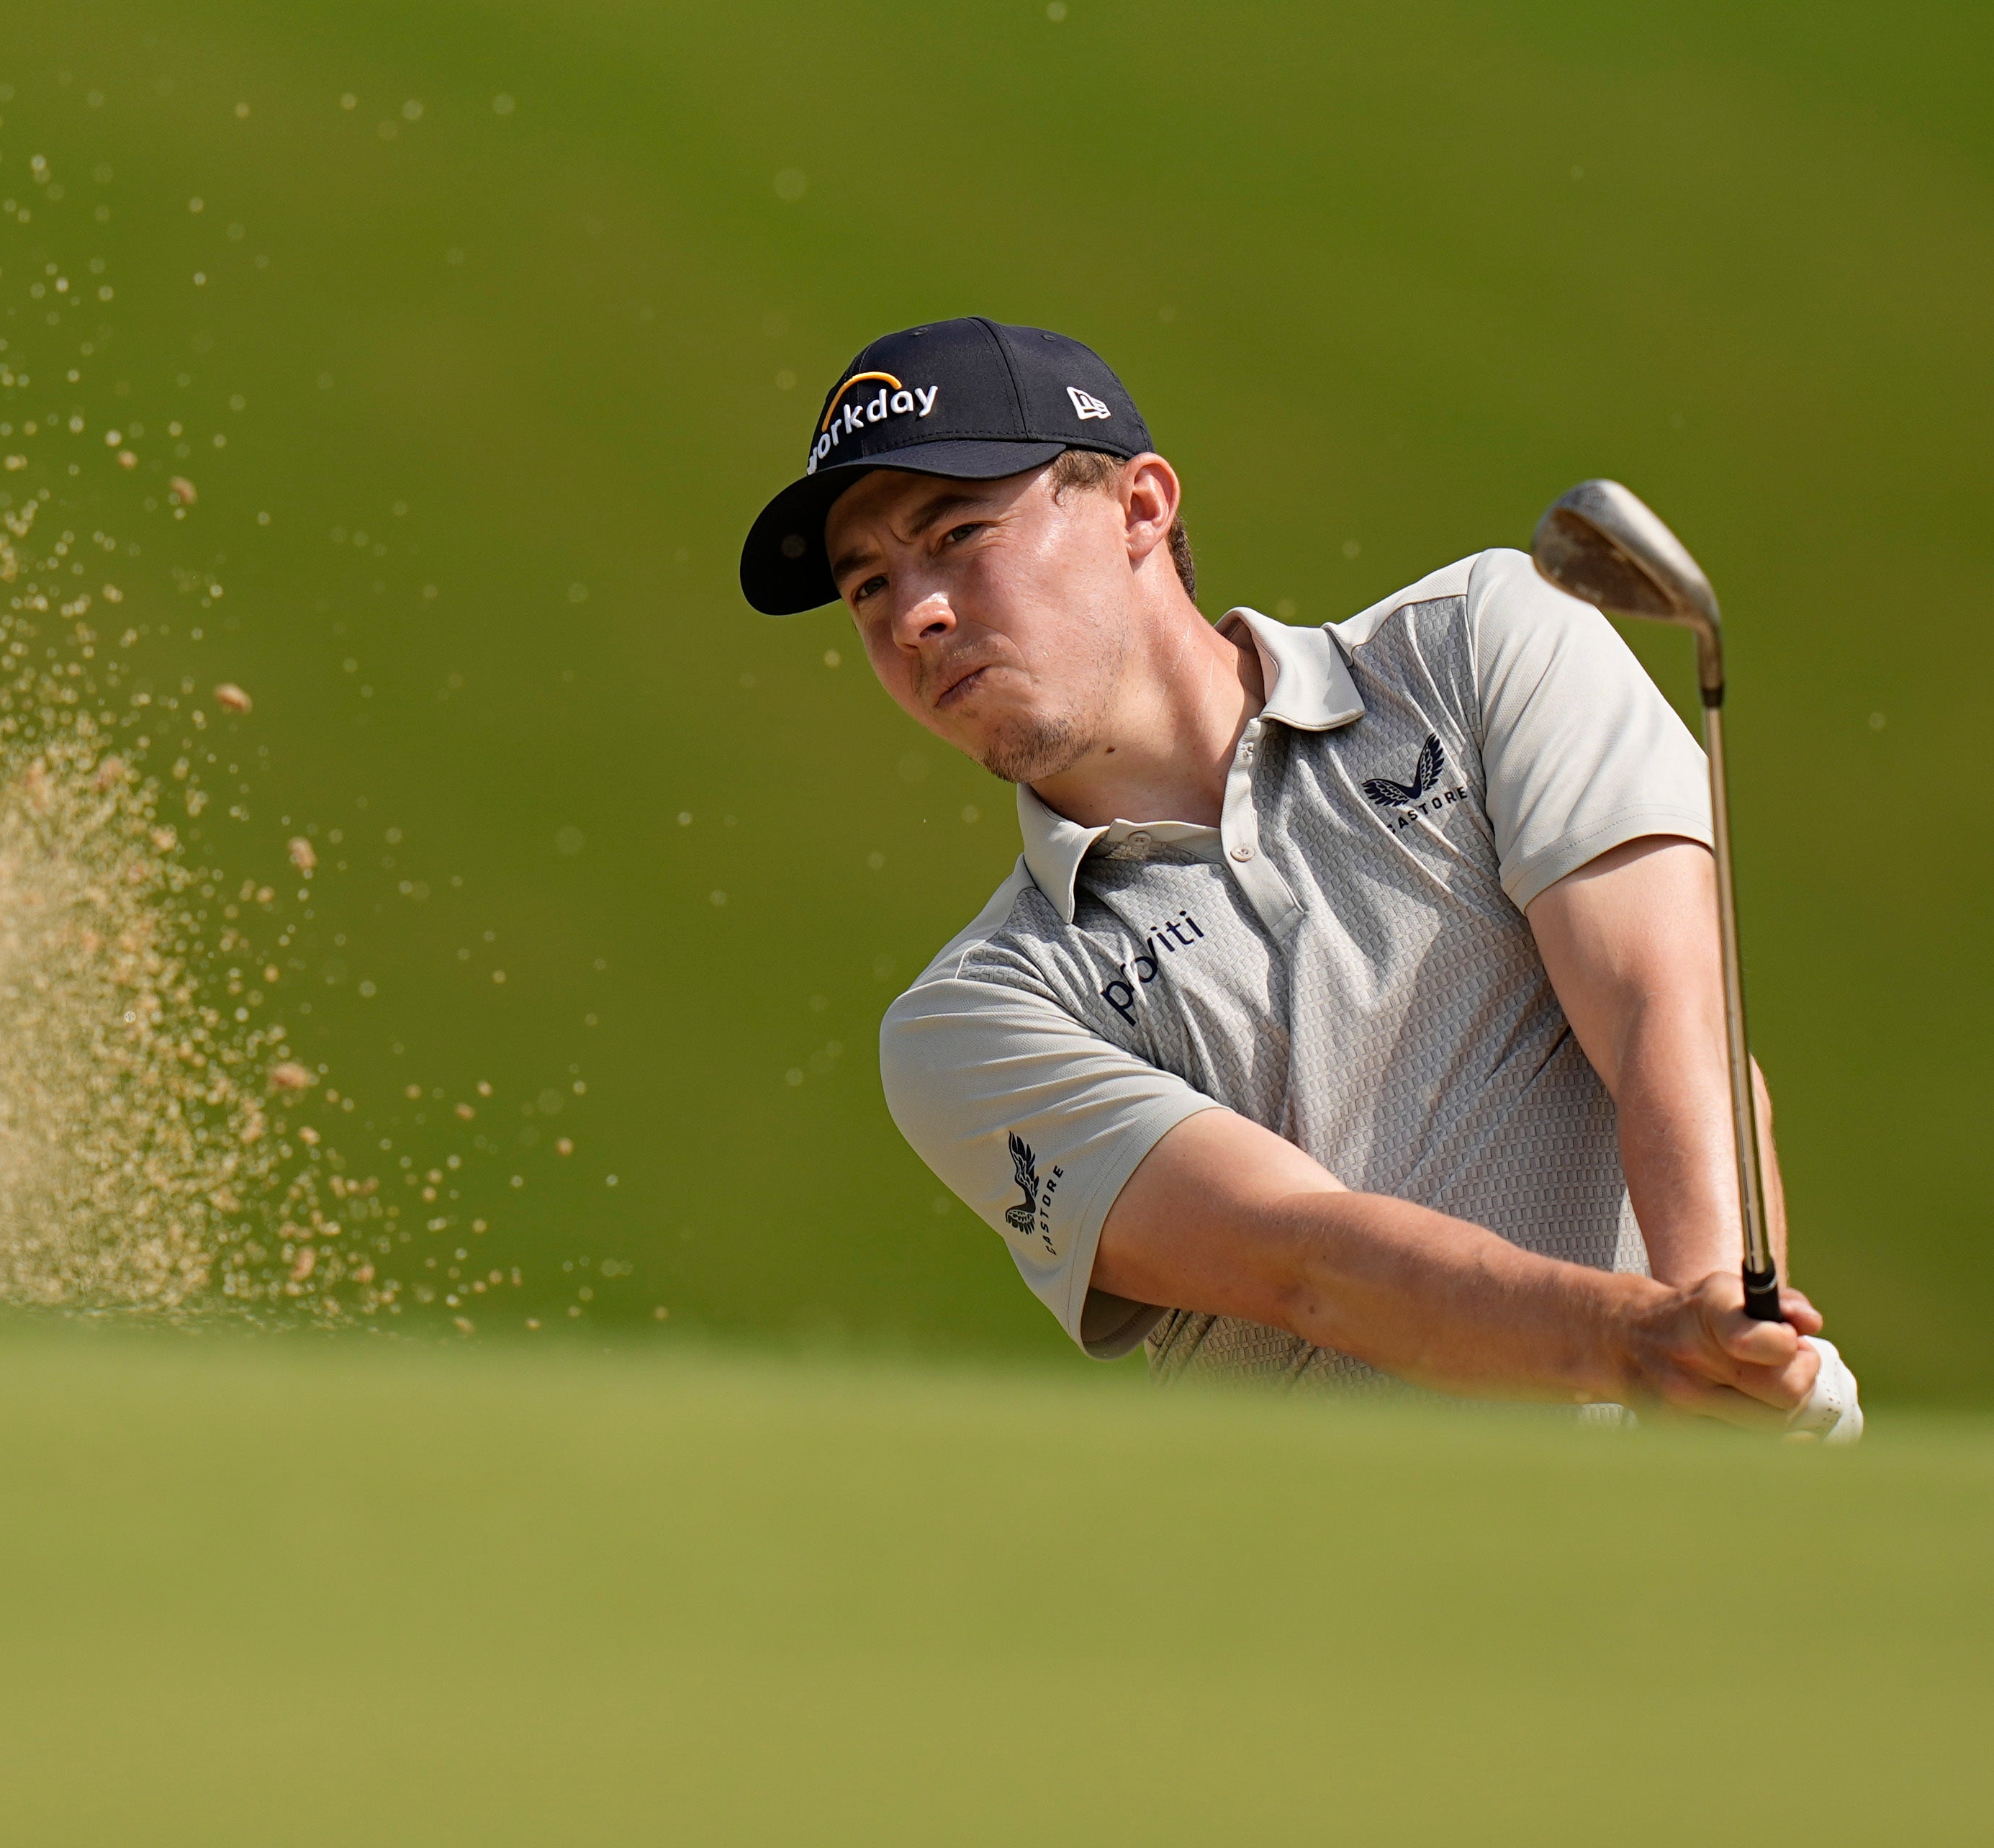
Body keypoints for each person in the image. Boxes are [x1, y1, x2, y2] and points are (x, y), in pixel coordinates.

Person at [739, 317, 1859, 1433]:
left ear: (1140, 508)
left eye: (961, 534)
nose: (917, 616)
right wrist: (1639, 1346)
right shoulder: (971, 1020)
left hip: (1719, 1499)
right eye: (870, 587)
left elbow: (1662, 1006)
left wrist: (1717, 1325)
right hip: (1367, 1593)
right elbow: (1302, 1263)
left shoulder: (1476, 645)